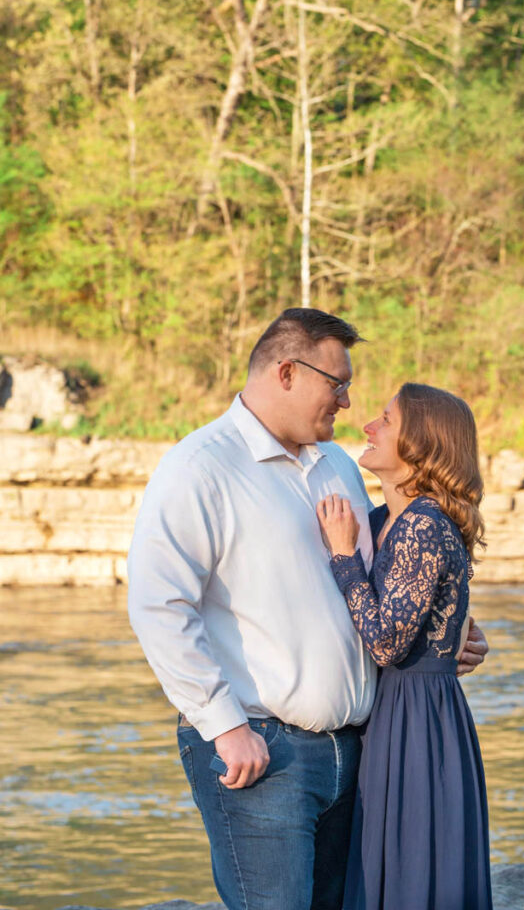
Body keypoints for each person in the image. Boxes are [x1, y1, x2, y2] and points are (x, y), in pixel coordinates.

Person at [127, 308, 489, 910]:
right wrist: (227, 727)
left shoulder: (339, 467)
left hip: (362, 751)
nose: (347, 402)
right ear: (288, 372)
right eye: (337, 383)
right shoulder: (200, 467)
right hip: (265, 753)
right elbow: (159, 603)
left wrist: (448, 632)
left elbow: (387, 584)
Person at [316, 383, 492, 910]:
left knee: (411, 866)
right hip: (398, 711)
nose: (368, 425)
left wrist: (345, 556)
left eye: (386, 420)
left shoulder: (422, 524)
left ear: (421, 445)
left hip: (416, 719)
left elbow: (388, 643)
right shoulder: (384, 520)